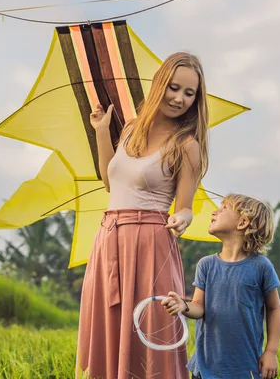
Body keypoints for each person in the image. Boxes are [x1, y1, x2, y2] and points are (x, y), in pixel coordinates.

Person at [76, 52, 209, 379]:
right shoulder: (133, 127)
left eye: (189, 93)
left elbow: (185, 207)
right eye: (174, 88)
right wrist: (102, 131)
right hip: (109, 239)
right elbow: (111, 181)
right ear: (160, 85)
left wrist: (183, 219)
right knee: (111, 325)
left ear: (196, 99)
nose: (179, 99)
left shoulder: (187, 145)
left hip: (150, 243)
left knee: (152, 328)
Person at [162, 193, 280, 379]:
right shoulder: (206, 265)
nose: (214, 212)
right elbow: (199, 307)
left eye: (223, 208)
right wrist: (183, 306)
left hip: (245, 367)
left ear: (242, 222)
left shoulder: (261, 266)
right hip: (205, 367)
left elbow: (274, 308)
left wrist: (271, 352)